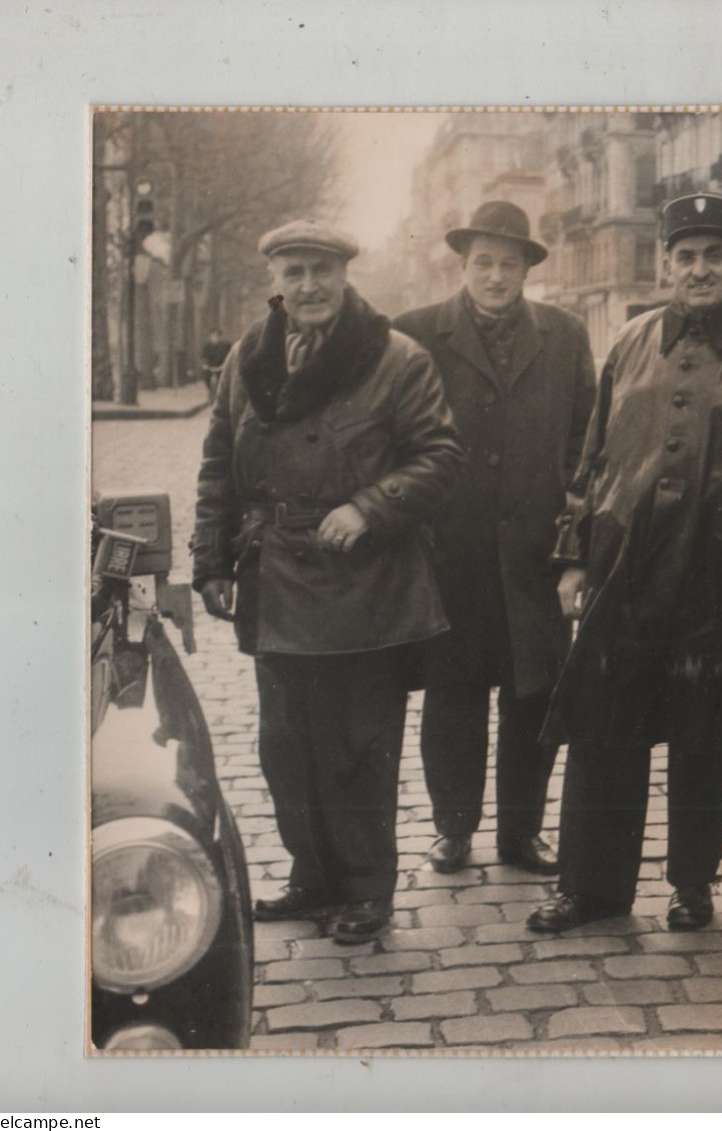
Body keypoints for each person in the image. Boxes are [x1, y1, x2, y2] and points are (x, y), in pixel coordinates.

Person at [526, 192, 722, 934]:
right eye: (686, 256)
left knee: (701, 734)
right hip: (623, 573)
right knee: (603, 732)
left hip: (717, 579)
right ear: (668, 264)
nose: (700, 270)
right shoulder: (633, 341)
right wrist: (573, 559)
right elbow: (592, 461)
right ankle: (590, 886)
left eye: (714, 255)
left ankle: (692, 882)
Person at [192, 219, 464, 945]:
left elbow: (440, 457)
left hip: (365, 581)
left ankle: (367, 888)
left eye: (322, 270)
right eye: (295, 271)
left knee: (359, 745)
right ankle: (311, 875)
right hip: (276, 575)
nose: (309, 285)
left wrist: (368, 506)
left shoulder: (395, 358)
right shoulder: (247, 361)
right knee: (286, 744)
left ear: (345, 276)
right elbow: (219, 462)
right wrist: (211, 560)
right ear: (274, 281)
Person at [394, 201, 596, 877]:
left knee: (533, 696)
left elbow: (586, 451)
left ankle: (522, 832)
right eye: (483, 261)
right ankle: (452, 828)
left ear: (527, 269)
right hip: (450, 557)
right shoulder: (416, 333)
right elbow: (394, 444)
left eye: (510, 263)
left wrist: (573, 551)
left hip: (538, 558)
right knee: (452, 697)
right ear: (463, 263)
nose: (496, 275)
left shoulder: (565, 336)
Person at [200, 328, 232, 396]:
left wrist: (225, 365)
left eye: (215, 336)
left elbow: (230, 356)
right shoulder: (207, 346)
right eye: (212, 336)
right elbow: (203, 357)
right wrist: (204, 365)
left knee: (223, 380)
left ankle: (223, 393)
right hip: (210, 367)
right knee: (206, 376)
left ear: (219, 337)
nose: (214, 338)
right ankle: (209, 390)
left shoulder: (225, 345)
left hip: (221, 366)